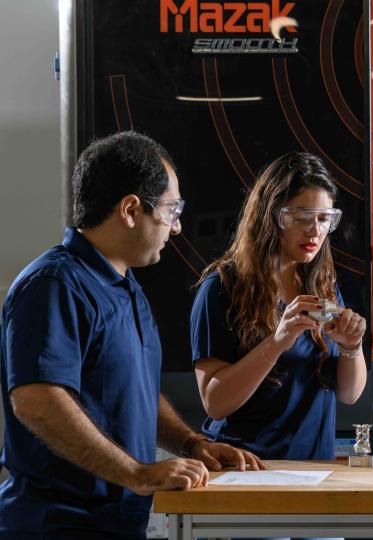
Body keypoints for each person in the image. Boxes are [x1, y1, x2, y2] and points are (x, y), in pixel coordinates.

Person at [0, 131, 264, 539]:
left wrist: (193, 444)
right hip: (57, 525)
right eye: (171, 210)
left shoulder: (125, 286)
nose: (175, 228)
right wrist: (137, 473)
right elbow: (36, 400)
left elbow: (135, 391)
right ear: (129, 209)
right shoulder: (54, 284)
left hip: (117, 523)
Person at [190, 152, 367, 464]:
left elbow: (349, 394)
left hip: (313, 470)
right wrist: (277, 342)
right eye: (300, 218)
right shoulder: (221, 288)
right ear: (270, 216)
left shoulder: (322, 283)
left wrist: (352, 346)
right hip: (247, 472)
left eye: (324, 219)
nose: (314, 232)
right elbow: (215, 403)